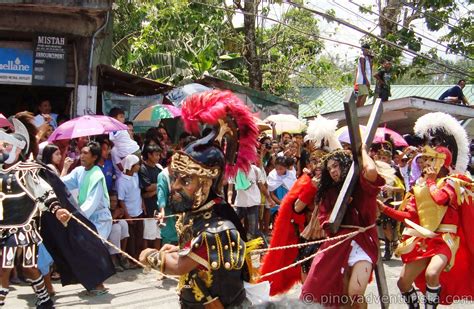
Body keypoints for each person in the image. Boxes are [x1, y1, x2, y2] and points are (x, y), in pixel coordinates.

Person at [139, 90, 260, 308]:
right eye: (175, 178)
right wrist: (176, 249)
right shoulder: (199, 216)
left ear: (206, 183)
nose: (174, 187)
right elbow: (195, 255)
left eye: (185, 181)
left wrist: (150, 255)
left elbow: (181, 266)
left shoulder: (218, 229)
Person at [378, 112, 474, 308]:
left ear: (442, 162)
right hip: (424, 239)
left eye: (430, 160)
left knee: (432, 274)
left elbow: (440, 199)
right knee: (403, 282)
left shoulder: (453, 182)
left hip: (446, 239)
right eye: (425, 160)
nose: (425, 164)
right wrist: (384, 209)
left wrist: (429, 182)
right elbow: (410, 217)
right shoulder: (421, 185)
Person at [260, 115, 342, 296]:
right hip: (311, 238)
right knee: (309, 289)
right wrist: (311, 188)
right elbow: (296, 208)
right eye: (314, 162)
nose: (318, 165)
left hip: (334, 238)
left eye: (322, 162)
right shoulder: (307, 181)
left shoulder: (338, 183)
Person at [301, 145, 385, 307]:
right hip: (338, 244)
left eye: (336, 166)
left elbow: (372, 172)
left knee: (354, 293)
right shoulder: (328, 192)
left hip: (363, 242)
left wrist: (362, 152)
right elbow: (325, 222)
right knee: (339, 294)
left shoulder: (361, 184)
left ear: (346, 165)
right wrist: (340, 207)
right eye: (330, 168)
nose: (332, 171)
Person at [0, 117, 70, 308]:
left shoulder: (27, 171)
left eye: (6, 145)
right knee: (4, 268)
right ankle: (43, 299)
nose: (1, 149)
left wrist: (57, 210)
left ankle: (45, 299)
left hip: (24, 228)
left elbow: (45, 193)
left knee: (28, 268)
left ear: (18, 149)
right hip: (3, 228)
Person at [227, 163, 275, 240]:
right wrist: (229, 200)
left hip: (253, 203)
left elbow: (262, 187)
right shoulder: (234, 171)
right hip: (240, 203)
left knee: (253, 230)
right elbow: (230, 188)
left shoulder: (256, 170)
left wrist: (269, 199)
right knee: (233, 225)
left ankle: (261, 245)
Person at [116, 154, 144, 261]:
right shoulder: (121, 181)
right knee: (131, 240)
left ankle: (138, 259)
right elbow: (121, 200)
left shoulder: (136, 176)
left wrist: (143, 205)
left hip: (139, 212)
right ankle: (131, 260)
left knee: (139, 238)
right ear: (131, 166)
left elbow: (138, 192)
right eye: (137, 165)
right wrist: (127, 216)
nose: (139, 166)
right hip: (130, 215)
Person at [139, 144, 164, 250]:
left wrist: (154, 189)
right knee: (148, 234)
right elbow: (147, 187)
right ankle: (146, 257)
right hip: (148, 206)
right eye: (156, 155)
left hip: (158, 205)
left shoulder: (158, 169)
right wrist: (159, 186)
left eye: (159, 155)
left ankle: (157, 256)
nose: (158, 157)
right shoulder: (143, 169)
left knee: (159, 233)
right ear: (149, 155)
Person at [108, 107, 140, 176]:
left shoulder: (123, 128)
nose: (123, 119)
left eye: (123, 117)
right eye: (121, 117)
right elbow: (122, 169)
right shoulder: (114, 150)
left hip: (135, 151)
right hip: (124, 176)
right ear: (113, 118)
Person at [107, 191, 130, 272]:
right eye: (111, 201)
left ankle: (121, 254)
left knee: (123, 223)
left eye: (115, 201)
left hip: (113, 237)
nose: (113, 203)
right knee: (116, 228)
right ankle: (113, 258)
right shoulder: (104, 209)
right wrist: (114, 216)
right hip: (105, 236)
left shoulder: (117, 209)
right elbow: (107, 224)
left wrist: (119, 215)